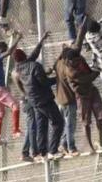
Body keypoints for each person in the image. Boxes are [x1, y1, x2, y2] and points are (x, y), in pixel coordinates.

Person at [12, 32, 64, 160]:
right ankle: (53, 150)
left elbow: (34, 54)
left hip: (33, 101)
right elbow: (45, 83)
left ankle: (43, 153)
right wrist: (58, 79)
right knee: (58, 122)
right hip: (44, 99)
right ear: (24, 56)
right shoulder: (35, 66)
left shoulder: (18, 70)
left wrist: (41, 41)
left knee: (42, 125)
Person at [62, 47, 102, 154]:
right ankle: (90, 146)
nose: (78, 61)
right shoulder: (70, 71)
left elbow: (89, 72)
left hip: (91, 90)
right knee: (86, 122)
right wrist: (96, 73)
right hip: (82, 96)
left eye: (79, 59)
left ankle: (100, 141)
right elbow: (88, 78)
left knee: (101, 116)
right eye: (76, 60)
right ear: (70, 61)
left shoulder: (80, 59)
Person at [0, 34, 23, 146]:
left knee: (0, 113)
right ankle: (16, 130)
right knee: (15, 105)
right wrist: (18, 39)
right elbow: (8, 52)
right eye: (3, 51)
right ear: (1, 50)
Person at [53, 44, 80, 157]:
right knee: (70, 125)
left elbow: (55, 63)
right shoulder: (68, 69)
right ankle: (71, 148)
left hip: (60, 99)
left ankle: (63, 144)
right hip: (68, 100)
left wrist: (63, 50)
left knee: (65, 124)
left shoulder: (58, 64)